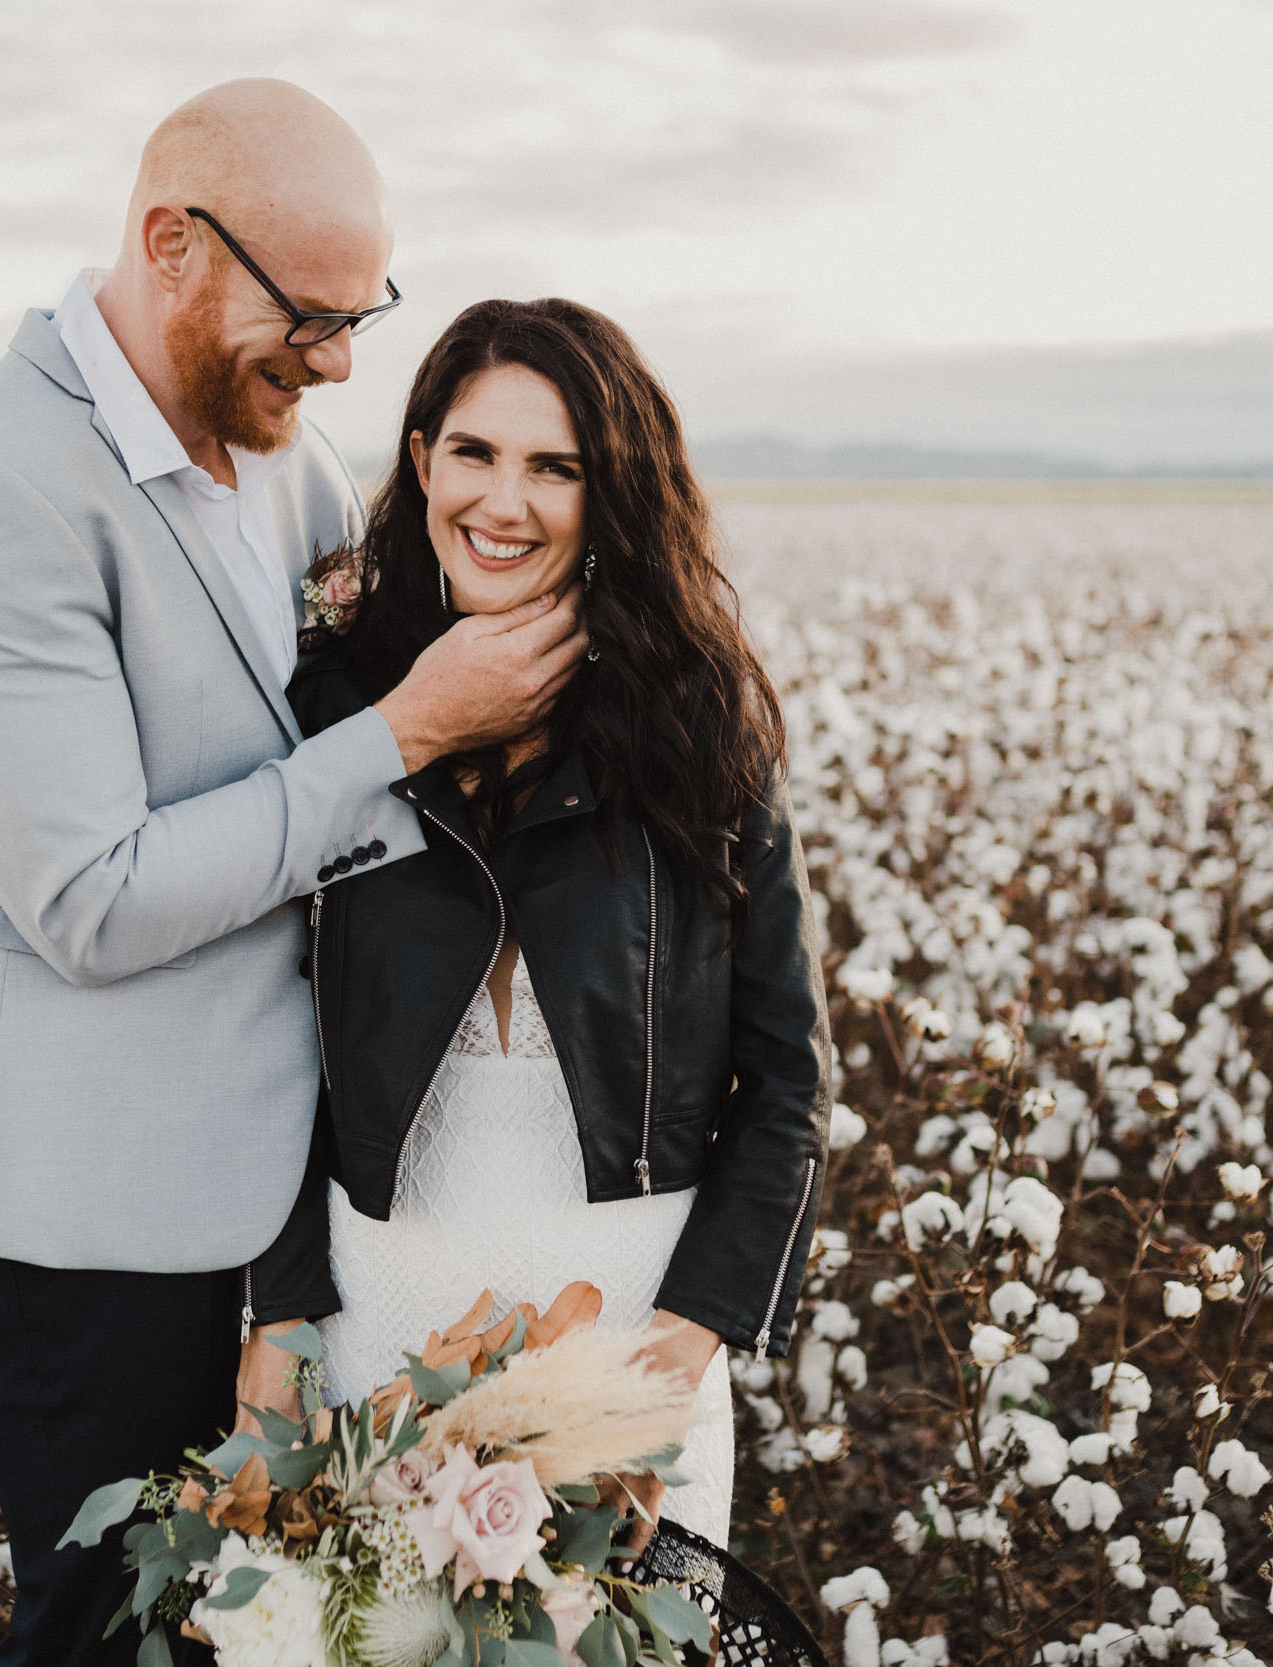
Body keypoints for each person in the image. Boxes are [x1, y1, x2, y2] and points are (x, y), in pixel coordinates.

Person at [0, 83, 588, 1661]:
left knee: (271, 1631)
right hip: (94, 1215)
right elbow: (94, 901)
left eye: (361, 316)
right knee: (104, 1630)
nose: (339, 363)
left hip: (293, 1207)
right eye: (313, 317)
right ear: (173, 246)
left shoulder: (284, 456)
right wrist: (402, 734)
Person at [242, 298, 834, 1544]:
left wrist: (680, 1349)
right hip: (377, 1311)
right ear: (418, 460)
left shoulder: (696, 725)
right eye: (474, 452)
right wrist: (281, 1310)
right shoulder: (338, 707)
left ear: (609, 491)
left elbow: (787, 1073)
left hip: (628, 1337)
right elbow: (257, 1032)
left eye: (553, 466)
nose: (503, 501)